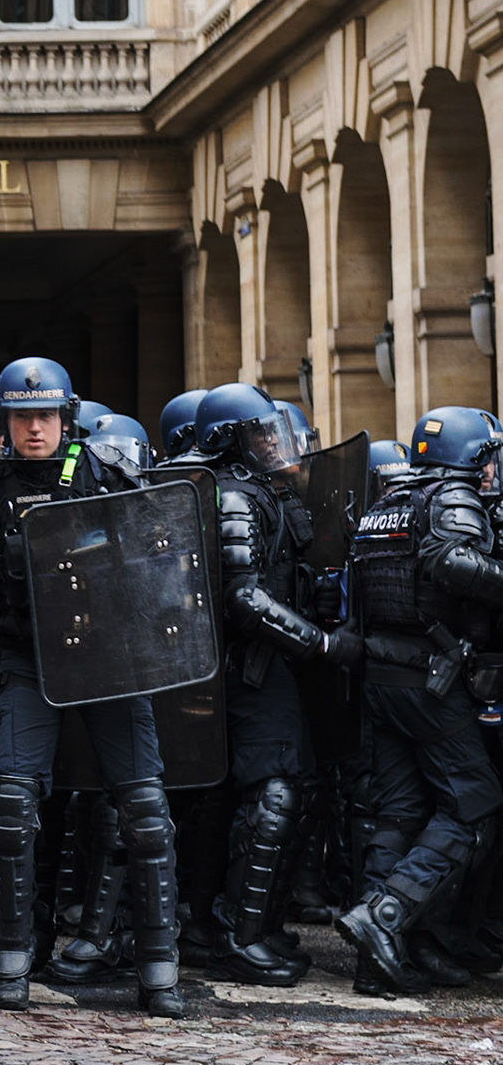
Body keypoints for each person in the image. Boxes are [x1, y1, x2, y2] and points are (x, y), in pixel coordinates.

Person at [0, 357, 185, 1017]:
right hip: (28, 661)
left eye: (45, 416)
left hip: (110, 663)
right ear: (5, 421)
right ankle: (12, 964)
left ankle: (160, 971)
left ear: (64, 418)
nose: (35, 429)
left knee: (146, 814)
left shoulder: (105, 474)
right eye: (22, 418)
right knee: (13, 809)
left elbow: (159, 558)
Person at [193, 383, 357, 986]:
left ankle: (255, 927)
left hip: (276, 670)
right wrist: (320, 642)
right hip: (251, 670)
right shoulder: (233, 494)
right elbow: (243, 597)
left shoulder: (267, 492)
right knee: (274, 795)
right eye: (260, 432)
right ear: (229, 441)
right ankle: (240, 935)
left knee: (296, 789)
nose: (274, 443)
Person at [341, 405, 503, 993]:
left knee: (401, 812)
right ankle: (385, 914)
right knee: (473, 804)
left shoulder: (389, 502)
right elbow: (450, 560)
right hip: (429, 678)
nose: (491, 472)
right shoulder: (450, 497)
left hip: (382, 678)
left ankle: (376, 962)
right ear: (471, 457)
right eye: (487, 458)